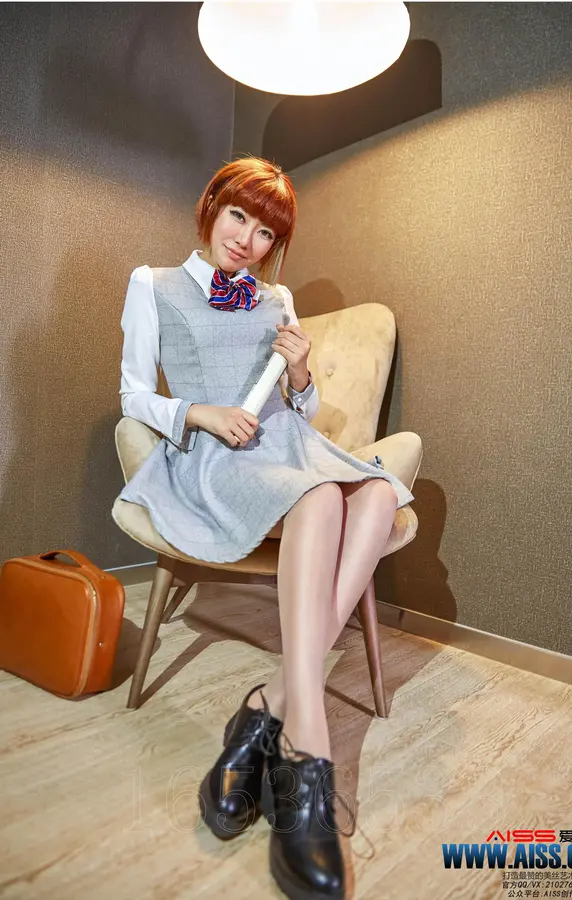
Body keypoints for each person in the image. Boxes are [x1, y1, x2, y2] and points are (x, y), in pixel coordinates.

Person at [116, 156, 414, 900]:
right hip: (217, 453)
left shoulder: (276, 297)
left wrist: (303, 373)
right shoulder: (153, 284)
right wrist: (198, 412)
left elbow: (298, 410)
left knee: (378, 496)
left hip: (288, 444)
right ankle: (306, 752)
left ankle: (266, 709)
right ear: (211, 206)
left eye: (265, 232)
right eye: (238, 216)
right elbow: (131, 393)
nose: (247, 239)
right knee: (322, 499)